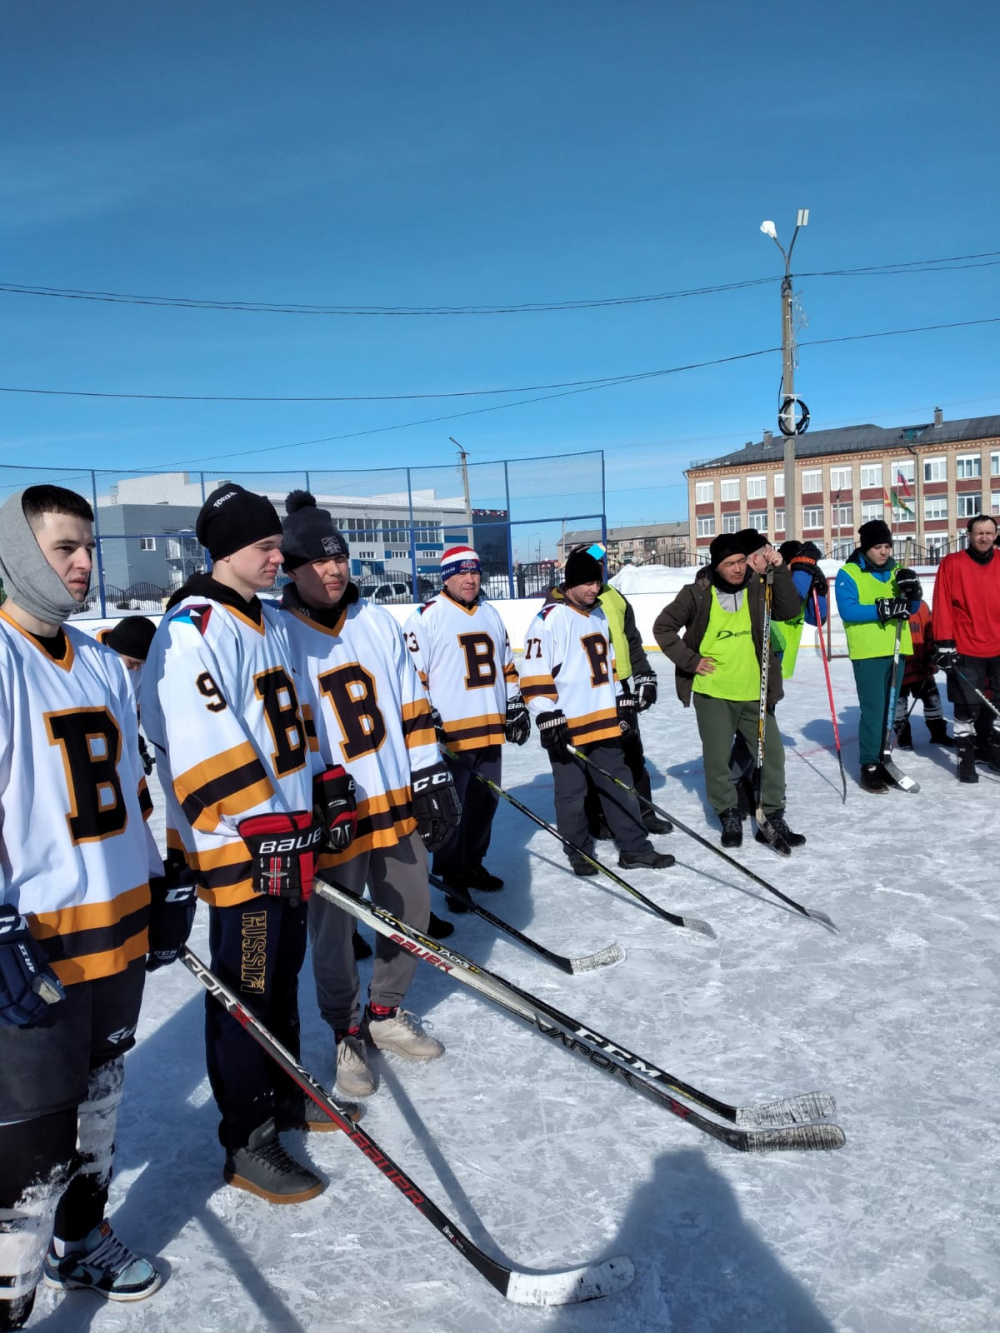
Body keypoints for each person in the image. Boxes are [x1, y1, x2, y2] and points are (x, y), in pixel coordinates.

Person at [141, 484, 357, 1204]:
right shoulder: (193, 628)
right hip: (243, 852)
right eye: (266, 546)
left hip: (288, 840)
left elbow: (293, 719)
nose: (278, 557)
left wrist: (325, 784)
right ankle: (248, 1137)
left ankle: (288, 1092)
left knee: (282, 975)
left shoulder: (266, 620)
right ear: (227, 550)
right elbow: (197, 743)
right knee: (247, 987)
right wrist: (266, 826)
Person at [0, 486, 181, 1328]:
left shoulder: (103, 659)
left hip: (116, 930)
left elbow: (134, 789)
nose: (82, 564)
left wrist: (162, 878)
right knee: (31, 1139)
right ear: (18, 552)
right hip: (34, 947)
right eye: (63, 548)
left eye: (88, 548)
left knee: (99, 1106)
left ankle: (81, 1239)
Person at [279, 492, 457, 1098]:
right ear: (291, 568)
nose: (333, 570)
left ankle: (384, 1011)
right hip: (333, 811)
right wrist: (310, 788)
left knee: (411, 909)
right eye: (318, 561)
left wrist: (429, 772)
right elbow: (281, 728)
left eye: (340, 558)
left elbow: (412, 703)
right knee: (333, 932)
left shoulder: (377, 621)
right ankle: (344, 1030)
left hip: (393, 795)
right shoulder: (277, 634)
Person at [520, 547, 673, 876]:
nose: (594, 589)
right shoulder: (549, 620)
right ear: (570, 583)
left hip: (603, 720)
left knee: (620, 786)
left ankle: (634, 849)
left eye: (597, 583)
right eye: (587, 583)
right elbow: (533, 676)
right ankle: (578, 851)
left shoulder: (600, 614)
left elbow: (608, 667)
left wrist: (620, 699)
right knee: (572, 795)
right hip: (567, 724)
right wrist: (546, 715)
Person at [652, 532, 804, 851]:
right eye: (729, 564)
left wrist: (780, 571)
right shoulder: (696, 593)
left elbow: (790, 610)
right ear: (716, 566)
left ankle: (772, 814)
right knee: (718, 758)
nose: (737, 569)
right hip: (714, 693)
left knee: (772, 754)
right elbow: (662, 628)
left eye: (740, 561)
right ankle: (728, 812)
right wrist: (691, 661)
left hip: (754, 691)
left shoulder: (759, 587)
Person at [403, 545, 528, 906]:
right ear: (446, 578)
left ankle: (473, 863)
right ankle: (453, 876)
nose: (470, 579)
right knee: (450, 809)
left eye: (474, 572)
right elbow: (412, 677)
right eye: (461, 572)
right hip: (451, 736)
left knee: (484, 804)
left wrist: (515, 705)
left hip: (489, 728)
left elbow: (507, 666)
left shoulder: (490, 613)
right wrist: (426, 716)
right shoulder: (426, 617)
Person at [567, 547, 671, 840]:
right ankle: (598, 814)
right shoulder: (564, 603)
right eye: (591, 565)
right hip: (587, 691)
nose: (597, 572)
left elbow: (632, 641)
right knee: (592, 756)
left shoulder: (616, 597)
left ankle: (644, 811)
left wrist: (644, 675)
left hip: (620, 686)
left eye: (600, 564)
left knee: (631, 751)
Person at [834, 518, 922, 793]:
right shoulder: (849, 573)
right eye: (877, 547)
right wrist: (882, 609)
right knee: (874, 710)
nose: (883, 552)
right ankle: (869, 764)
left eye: (887, 546)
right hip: (869, 652)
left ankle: (884, 756)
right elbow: (848, 610)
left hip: (897, 648)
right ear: (865, 548)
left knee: (890, 709)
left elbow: (911, 608)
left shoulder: (898, 571)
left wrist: (914, 593)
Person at [931, 512, 1000, 783]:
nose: (984, 537)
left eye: (989, 532)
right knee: (966, 706)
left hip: (998, 647)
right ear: (968, 535)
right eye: (979, 533)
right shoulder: (952, 563)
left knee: (996, 704)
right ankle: (966, 758)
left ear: (995, 535)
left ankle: (992, 752)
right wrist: (943, 642)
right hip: (965, 646)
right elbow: (942, 603)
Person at [97, 615, 158, 774]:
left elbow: (133, 708)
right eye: (133, 662)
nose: (137, 669)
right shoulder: (88, 656)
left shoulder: (137, 669)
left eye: (141, 664)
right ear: (116, 649)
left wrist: (133, 741)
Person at [892, 600, 952, 749]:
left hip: (922, 667)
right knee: (899, 707)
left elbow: (930, 633)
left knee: (933, 702)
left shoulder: (922, 606)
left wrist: (933, 658)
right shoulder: (891, 606)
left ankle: (939, 735)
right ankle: (904, 739)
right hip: (898, 668)